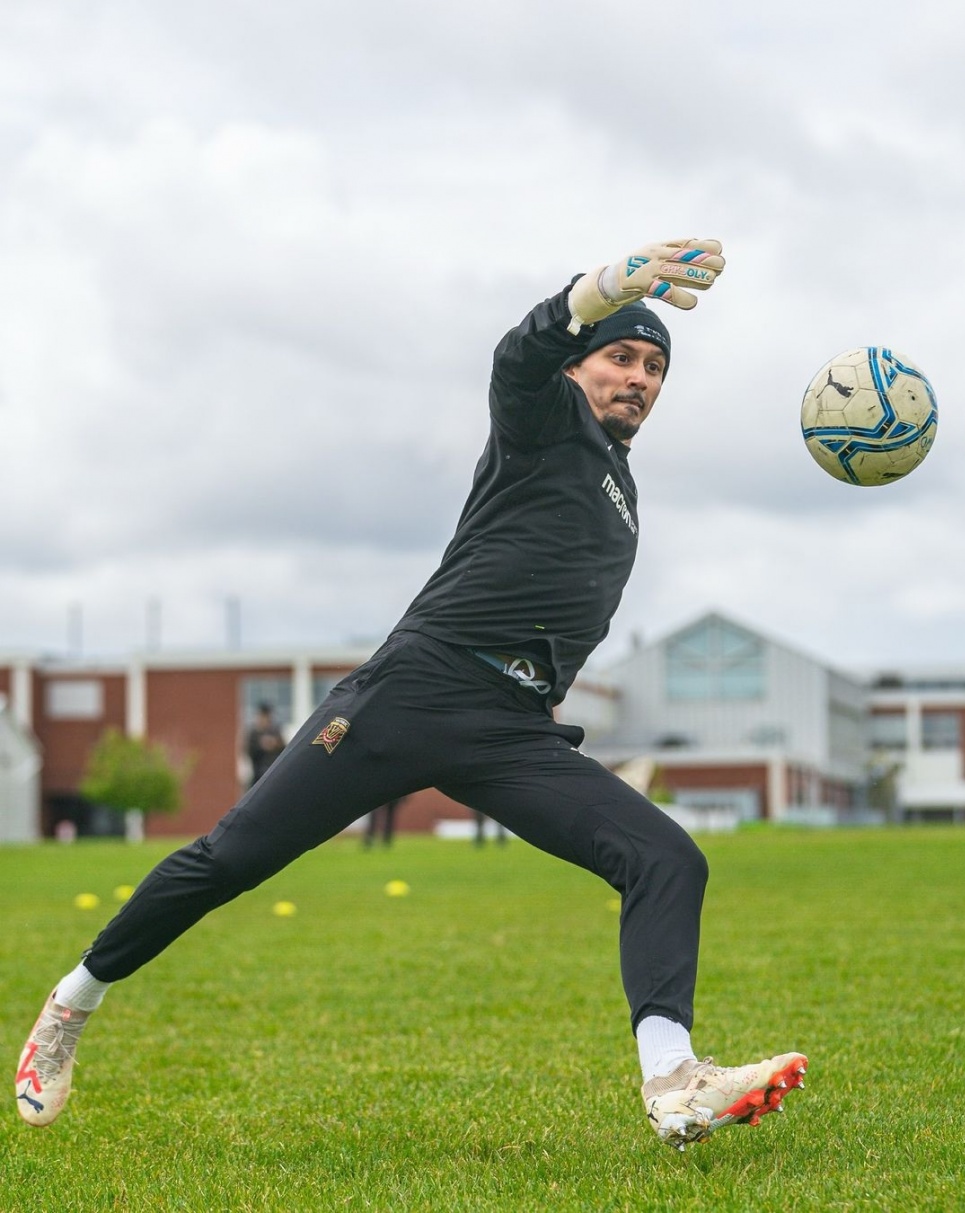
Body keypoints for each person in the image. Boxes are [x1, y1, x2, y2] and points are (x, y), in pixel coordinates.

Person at [15, 238, 807, 1149]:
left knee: (669, 859)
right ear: (581, 363)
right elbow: (517, 356)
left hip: (510, 730)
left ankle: (673, 1079)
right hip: (413, 688)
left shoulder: (620, 485)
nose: (638, 377)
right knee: (229, 859)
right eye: (621, 356)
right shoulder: (543, 417)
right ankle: (74, 1003)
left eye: (655, 366)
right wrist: (602, 288)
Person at [244, 702, 286, 786]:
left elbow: (284, 749)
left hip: (274, 775)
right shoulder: (254, 733)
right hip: (258, 776)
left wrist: (275, 744)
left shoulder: (275, 731)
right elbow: (249, 751)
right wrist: (262, 745)